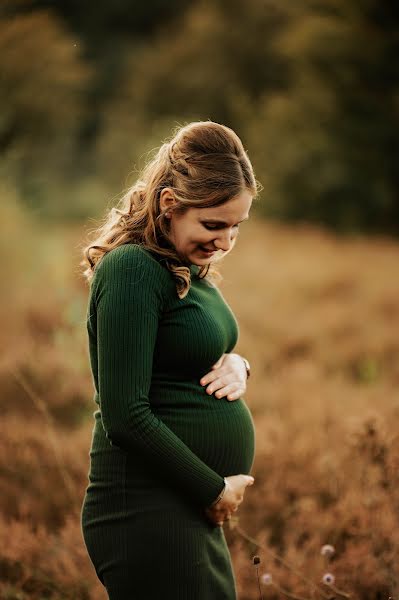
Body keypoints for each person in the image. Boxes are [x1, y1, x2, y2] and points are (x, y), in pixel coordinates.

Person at [80, 121, 259, 600]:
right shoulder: (132, 269)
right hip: (145, 508)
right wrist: (212, 490)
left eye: (235, 228)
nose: (224, 242)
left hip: (182, 505)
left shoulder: (183, 270)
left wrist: (238, 364)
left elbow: (189, 351)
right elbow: (125, 415)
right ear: (169, 205)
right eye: (213, 224)